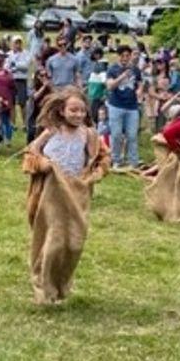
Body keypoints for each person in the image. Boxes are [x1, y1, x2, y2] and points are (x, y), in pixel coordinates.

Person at [23, 86, 111, 304]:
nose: (78, 115)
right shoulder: (52, 131)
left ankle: (61, 283)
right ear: (62, 110)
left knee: (73, 243)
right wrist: (42, 164)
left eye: (81, 111)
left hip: (76, 194)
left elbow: (104, 158)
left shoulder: (89, 135)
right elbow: (30, 154)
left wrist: (97, 173)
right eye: (73, 110)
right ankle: (43, 287)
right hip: (50, 194)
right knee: (53, 240)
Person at [104, 44, 143, 169]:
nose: (125, 58)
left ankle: (133, 161)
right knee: (116, 135)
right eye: (122, 56)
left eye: (127, 55)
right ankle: (116, 160)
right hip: (116, 105)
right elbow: (110, 86)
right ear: (118, 56)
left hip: (132, 106)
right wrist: (122, 76)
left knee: (132, 135)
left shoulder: (135, 69)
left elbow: (140, 83)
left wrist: (140, 91)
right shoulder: (112, 69)